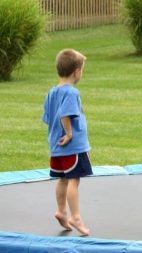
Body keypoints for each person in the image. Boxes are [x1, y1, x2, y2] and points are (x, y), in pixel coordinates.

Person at [42, 49, 92, 236]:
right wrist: (70, 133)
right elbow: (65, 115)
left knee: (63, 178)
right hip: (72, 146)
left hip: (56, 146)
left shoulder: (52, 92)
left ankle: (61, 211)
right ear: (77, 72)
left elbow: (48, 118)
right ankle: (75, 216)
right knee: (74, 180)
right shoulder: (71, 93)